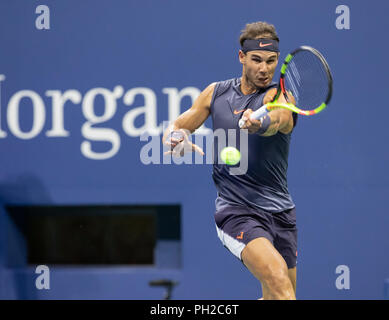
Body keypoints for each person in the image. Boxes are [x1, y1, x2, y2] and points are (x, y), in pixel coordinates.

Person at [162, 21, 298, 300]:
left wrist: (259, 124)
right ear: (241, 57)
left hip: (282, 213)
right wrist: (176, 138)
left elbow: (280, 120)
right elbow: (178, 125)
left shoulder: (282, 97)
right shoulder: (216, 93)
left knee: (278, 295)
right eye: (257, 60)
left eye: (271, 61)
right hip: (237, 212)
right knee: (280, 283)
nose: (264, 69)